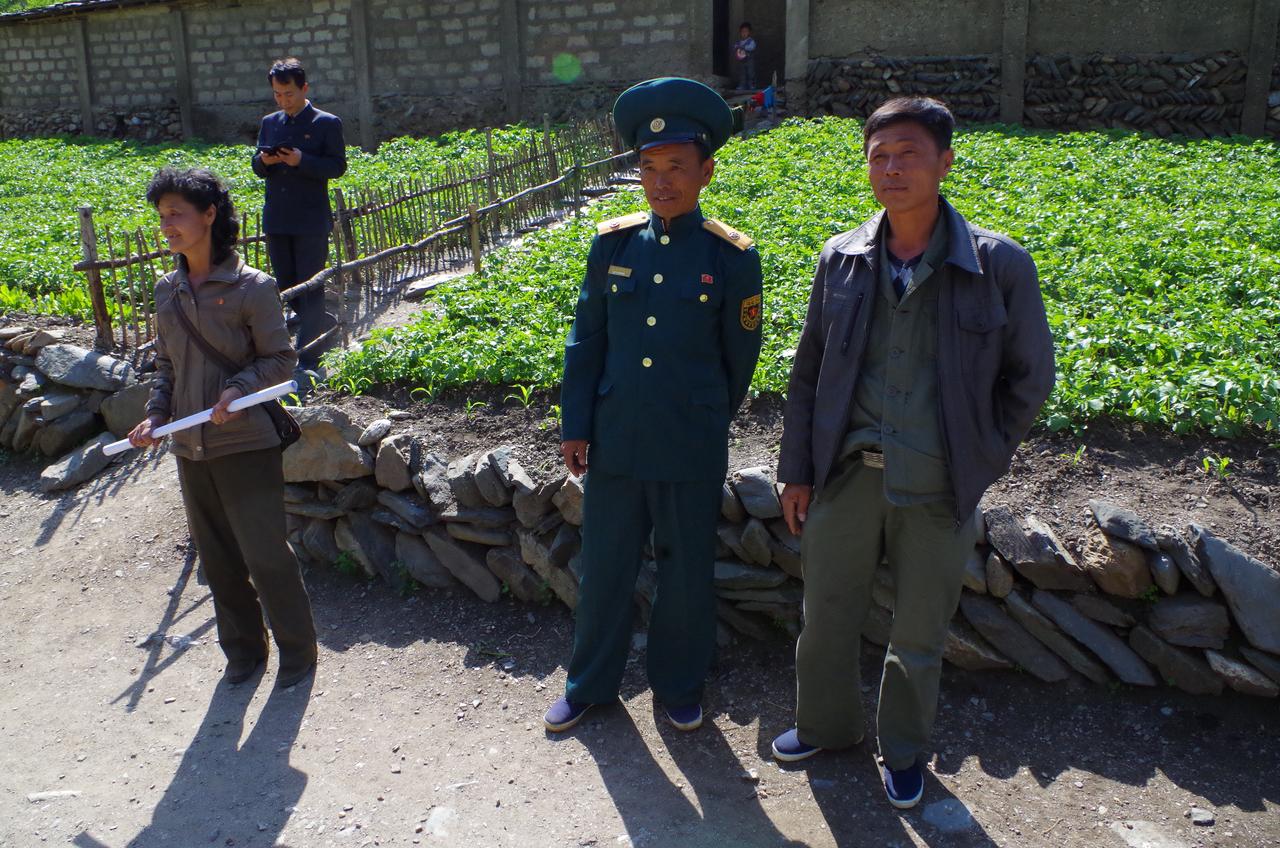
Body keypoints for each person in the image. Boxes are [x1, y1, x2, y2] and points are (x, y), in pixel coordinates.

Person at [770, 97, 1055, 808]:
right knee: (826, 614)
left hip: (939, 483)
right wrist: (797, 470)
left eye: (908, 154)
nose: (891, 169)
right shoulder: (841, 258)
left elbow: (1031, 378)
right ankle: (825, 727)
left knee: (919, 630)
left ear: (945, 162)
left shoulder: (998, 265)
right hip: (844, 477)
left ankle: (903, 752)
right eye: (879, 155)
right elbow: (808, 373)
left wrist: (982, 454)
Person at [543, 77, 764, 734]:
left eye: (676, 168)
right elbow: (588, 338)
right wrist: (576, 423)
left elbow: (739, 358)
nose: (661, 181)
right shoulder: (612, 243)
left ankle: (678, 684)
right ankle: (589, 685)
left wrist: (702, 418)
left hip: (690, 439)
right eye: (649, 166)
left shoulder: (730, 257)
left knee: (686, 570)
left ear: (706, 171)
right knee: (606, 565)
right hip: (615, 436)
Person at [128, 167, 318, 690]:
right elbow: (166, 368)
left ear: (209, 215)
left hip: (245, 441)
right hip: (189, 447)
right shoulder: (168, 291)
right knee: (216, 557)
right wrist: (157, 417)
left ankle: (298, 653)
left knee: (263, 552)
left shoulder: (251, 287)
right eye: (161, 215)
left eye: (177, 214)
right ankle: (243, 651)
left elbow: (280, 360)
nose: (167, 225)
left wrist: (236, 389)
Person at [251, 56, 347, 378]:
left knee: (311, 285)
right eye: (278, 95)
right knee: (288, 285)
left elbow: (337, 167)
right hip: (277, 216)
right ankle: (321, 324)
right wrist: (265, 161)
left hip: (310, 218)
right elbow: (256, 167)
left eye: (288, 93)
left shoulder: (326, 123)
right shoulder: (270, 122)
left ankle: (308, 358)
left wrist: (302, 160)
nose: (283, 100)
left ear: (304, 88)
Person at [734, 22, 757, 90]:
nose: (744, 33)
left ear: (749, 32)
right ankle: (742, 85)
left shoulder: (751, 41)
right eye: (742, 32)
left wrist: (745, 47)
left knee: (750, 73)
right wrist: (736, 47)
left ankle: (751, 85)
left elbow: (752, 47)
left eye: (746, 31)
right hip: (742, 61)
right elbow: (735, 47)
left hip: (749, 60)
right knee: (742, 74)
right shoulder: (739, 42)